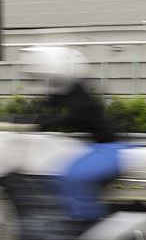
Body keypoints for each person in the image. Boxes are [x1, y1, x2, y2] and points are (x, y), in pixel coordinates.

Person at [21, 46, 126, 223]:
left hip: (108, 149)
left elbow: (70, 116)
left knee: (69, 176)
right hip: (98, 147)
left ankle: (86, 220)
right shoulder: (69, 92)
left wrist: (39, 123)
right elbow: (44, 110)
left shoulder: (79, 95)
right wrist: (24, 121)